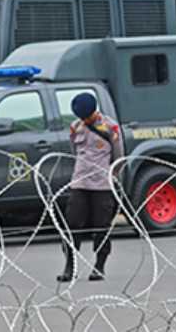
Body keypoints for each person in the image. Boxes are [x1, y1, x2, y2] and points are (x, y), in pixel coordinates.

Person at [57, 92, 124, 283]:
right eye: (82, 117)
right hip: (80, 182)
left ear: (94, 111)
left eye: (88, 116)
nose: (85, 120)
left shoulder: (110, 127)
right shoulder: (75, 127)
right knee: (72, 225)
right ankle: (70, 267)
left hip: (102, 185)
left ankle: (99, 266)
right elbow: (74, 152)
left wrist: (111, 177)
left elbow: (119, 157)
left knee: (101, 227)